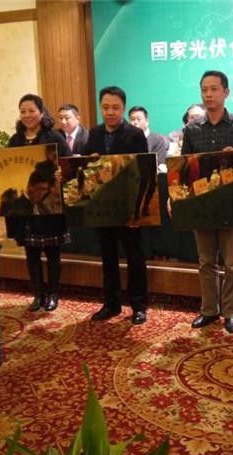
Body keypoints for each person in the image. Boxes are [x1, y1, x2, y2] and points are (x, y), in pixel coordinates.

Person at [181, 70, 233, 334]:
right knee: (205, 261)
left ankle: (232, 312)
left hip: (232, 204)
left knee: (232, 262)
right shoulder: (191, 129)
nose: (208, 94)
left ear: (226, 92)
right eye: (204, 89)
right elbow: (184, 168)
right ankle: (209, 310)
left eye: (214, 89)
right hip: (202, 204)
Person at [81, 86, 149, 325]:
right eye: (106, 107)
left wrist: (138, 211)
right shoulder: (94, 133)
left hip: (127, 207)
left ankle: (139, 305)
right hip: (103, 207)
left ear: (123, 108)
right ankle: (111, 304)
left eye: (115, 108)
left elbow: (143, 172)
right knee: (108, 256)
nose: (110, 112)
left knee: (134, 257)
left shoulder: (135, 135)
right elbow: (84, 166)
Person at [6, 93, 70, 312]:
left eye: (32, 110)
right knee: (31, 254)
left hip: (50, 208)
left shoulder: (54, 137)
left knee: (52, 254)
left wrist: (63, 173)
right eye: (23, 111)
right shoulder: (15, 140)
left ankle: (53, 294)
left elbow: (69, 164)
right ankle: (38, 294)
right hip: (25, 211)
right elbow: (7, 169)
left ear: (42, 112)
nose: (27, 115)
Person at [128, 106, 165, 219]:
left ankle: (144, 208)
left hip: (151, 175)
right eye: (132, 119)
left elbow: (160, 161)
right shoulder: (126, 139)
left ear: (147, 121)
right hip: (132, 176)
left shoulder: (157, 139)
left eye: (139, 119)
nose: (135, 122)